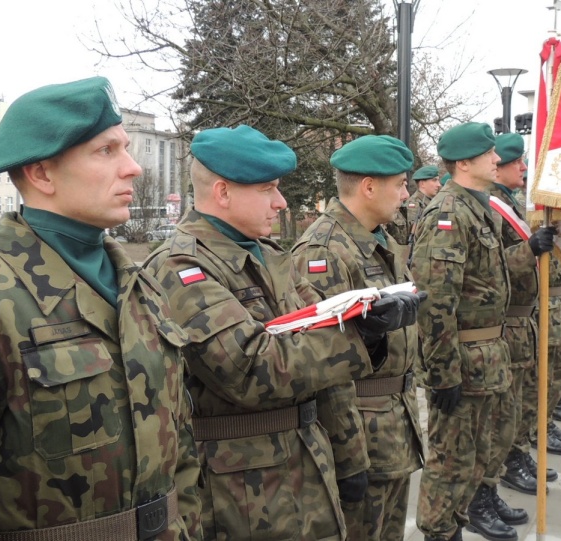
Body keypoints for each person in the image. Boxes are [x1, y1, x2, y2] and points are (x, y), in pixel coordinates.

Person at [0, 76, 202, 540]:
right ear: (42, 174)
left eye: (127, 148)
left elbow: (180, 451)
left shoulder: (141, 286)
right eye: (106, 151)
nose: (133, 168)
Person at [141, 125, 420, 541]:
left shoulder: (272, 257)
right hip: (242, 495)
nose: (281, 202)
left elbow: (327, 365)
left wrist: (349, 458)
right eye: (267, 189)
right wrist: (359, 337)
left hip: (305, 468)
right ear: (222, 192)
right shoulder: (180, 267)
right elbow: (251, 369)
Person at [412, 122, 545, 541]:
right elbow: (436, 301)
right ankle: (438, 532)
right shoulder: (448, 213)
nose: (497, 159)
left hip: (488, 356)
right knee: (451, 459)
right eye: (488, 153)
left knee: (478, 454)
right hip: (464, 362)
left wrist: (529, 250)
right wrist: (443, 373)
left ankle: (457, 523)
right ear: (464, 163)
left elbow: (486, 277)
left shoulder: (477, 207)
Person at [292, 135, 425, 540]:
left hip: (392, 424)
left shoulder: (376, 241)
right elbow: (324, 367)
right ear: (369, 187)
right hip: (361, 432)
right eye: (400, 184)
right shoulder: (326, 250)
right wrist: (348, 457)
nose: (406, 194)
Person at [480, 133, 557, 522]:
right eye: (517, 163)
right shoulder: (491, 206)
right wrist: (530, 249)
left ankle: (512, 461)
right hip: (501, 326)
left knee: (516, 409)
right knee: (499, 419)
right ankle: (489, 486)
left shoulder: (509, 204)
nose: (524, 170)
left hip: (519, 322)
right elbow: (490, 270)